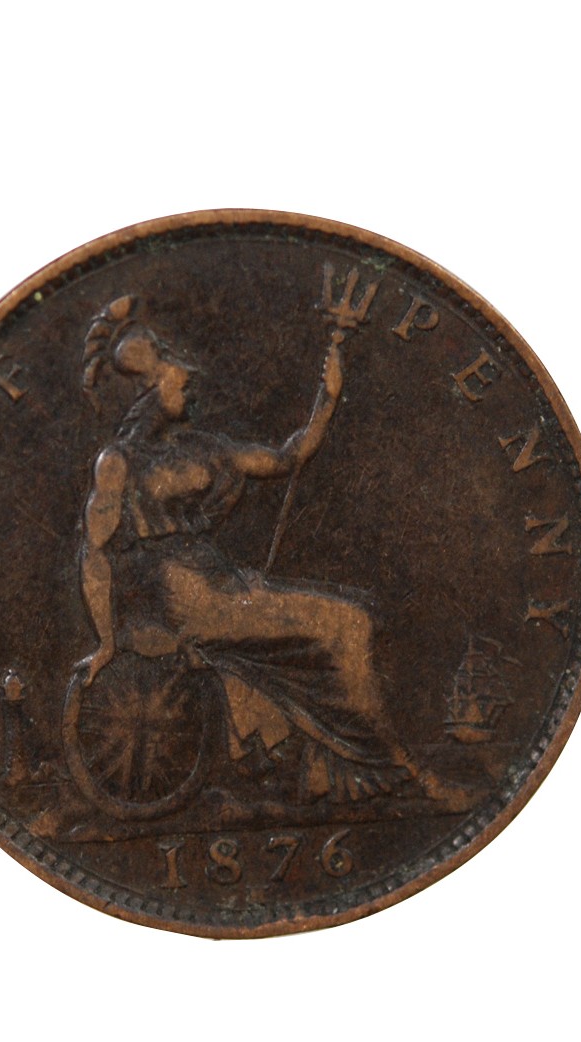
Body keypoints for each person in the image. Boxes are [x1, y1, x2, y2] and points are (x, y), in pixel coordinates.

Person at [75, 295, 453, 804]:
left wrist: (328, 398)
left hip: (220, 586)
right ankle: (400, 768)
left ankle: (347, 767)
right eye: (177, 376)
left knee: (351, 622)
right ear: (149, 387)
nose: (189, 383)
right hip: (187, 603)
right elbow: (95, 552)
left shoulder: (203, 447)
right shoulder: (117, 462)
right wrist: (105, 641)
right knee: (348, 625)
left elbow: (285, 457)